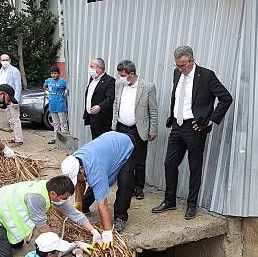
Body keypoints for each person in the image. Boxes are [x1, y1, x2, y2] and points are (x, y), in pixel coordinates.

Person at [152, 46, 233, 220]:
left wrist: (211, 120)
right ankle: (169, 201)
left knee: (194, 167)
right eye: (177, 65)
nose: (179, 69)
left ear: (191, 61)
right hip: (177, 126)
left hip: (195, 128)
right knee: (170, 164)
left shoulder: (206, 75)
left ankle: (191, 204)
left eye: (182, 65)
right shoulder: (177, 73)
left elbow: (226, 98)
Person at [61, 131, 134, 236]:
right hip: (109, 142)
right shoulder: (74, 160)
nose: (76, 181)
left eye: (76, 177)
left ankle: (120, 217)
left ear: (81, 169)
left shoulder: (96, 171)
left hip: (125, 144)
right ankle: (84, 205)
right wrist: (78, 205)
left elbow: (103, 204)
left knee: (125, 182)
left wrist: (107, 233)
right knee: (95, 183)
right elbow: (80, 183)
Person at [112, 60, 158, 200]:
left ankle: (139, 187)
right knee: (123, 159)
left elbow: (153, 110)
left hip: (138, 130)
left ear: (132, 74)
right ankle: (127, 187)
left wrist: (153, 129)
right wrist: (113, 125)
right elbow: (116, 104)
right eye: (119, 75)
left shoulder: (147, 87)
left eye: (123, 75)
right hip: (121, 128)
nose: (121, 78)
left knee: (139, 160)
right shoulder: (119, 84)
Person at [83, 58, 115, 139]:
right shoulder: (92, 79)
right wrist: (86, 115)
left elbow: (110, 98)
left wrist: (100, 107)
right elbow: (89, 97)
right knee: (94, 140)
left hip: (102, 120)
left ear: (100, 69)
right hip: (92, 117)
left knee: (102, 143)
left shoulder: (110, 81)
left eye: (92, 67)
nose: (90, 69)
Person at [0, 54, 23, 145]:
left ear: (10, 60)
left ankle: (19, 139)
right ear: (0, 61)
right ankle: (13, 137)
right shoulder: (1, 70)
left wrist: (16, 100)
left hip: (12, 98)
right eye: (3, 60)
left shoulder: (14, 71)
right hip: (4, 99)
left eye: (6, 60)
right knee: (9, 118)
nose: (5, 61)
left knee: (15, 119)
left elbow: (18, 86)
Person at [43, 65, 69, 144]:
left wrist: (65, 94)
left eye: (55, 73)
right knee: (55, 123)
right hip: (52, 105)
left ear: (59, 73)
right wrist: (49, 91)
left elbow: (68, 89)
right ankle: (56, 138)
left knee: (63, 123)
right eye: (52, 73)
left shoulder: (63, 81)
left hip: (61, 105)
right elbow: (44, 86)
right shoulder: (49, 80)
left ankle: (65, 140)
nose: (54, 75)